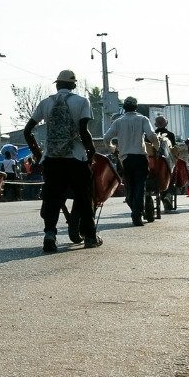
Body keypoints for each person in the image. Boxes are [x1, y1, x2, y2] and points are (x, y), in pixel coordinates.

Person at [23, 70, 101, 252]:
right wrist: (91, 151)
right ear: (73, 85)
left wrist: (37, 152)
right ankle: (90, 237)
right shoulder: (82, 102)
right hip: (75, 157)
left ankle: (50, 234)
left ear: (57, 85)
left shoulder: (46, 103)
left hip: (52, 158)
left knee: (52, 198)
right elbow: (83, 130)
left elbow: (27, 131)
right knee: (83, 197)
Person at [102, 97, 158, 227]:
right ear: (136, 107)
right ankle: (137, 213)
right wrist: (156, 146)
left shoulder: (118, 121)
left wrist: (112, 148)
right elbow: (152, 135)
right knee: (140, 185)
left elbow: (106, 138)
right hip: (140, 156)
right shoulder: (143, 119)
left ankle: (134, 207)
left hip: (125, 158)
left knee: (130, 185)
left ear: (124, 108)